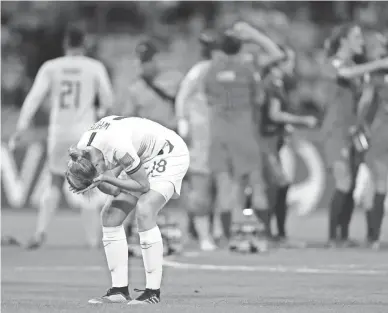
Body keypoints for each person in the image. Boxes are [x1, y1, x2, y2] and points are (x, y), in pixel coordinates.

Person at [66, 115, 190, 304]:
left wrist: (105, 178)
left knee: (145, 208)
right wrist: (102, 179)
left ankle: (152, 293)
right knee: (110, 216)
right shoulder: (86, 151)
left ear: (97, 165)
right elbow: (114, 189)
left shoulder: (118, 147)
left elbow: (142, 186)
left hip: (168, 152)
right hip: (141, 156)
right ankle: (119, 291)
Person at [10, 25, 114, 249]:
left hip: (59, 132)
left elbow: (34, 98)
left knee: (55, 181)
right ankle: (92, 240)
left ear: (65, 44)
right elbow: (107, 99)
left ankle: (40, 232)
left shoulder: (52, 67)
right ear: (84, 44)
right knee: (88, 183)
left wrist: (21, 127)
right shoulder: (94, 67)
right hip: (85, 133)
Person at [322, 24, 388, 247]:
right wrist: (378, 64)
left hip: (352, 132)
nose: (361, 41)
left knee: (351, 183)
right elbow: (343, 74)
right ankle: (333, 238)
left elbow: (364, 99)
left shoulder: (356, 67)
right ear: (343, 40)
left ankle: (343, 236)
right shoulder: (334, 63)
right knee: (343, 181)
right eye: (357, 36)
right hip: (335, 132)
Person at [259, 47, 318, 245]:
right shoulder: (273, 84)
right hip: (264, 141)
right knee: (276, 184)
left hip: (272, 140)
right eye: (290, 61)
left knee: (273, 185)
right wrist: (302, 120)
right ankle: (270, 233)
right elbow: (274, 115)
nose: (293, 66)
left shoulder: (277, 83)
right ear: (279, 63)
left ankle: (274, 233)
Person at [175, 30, 218, 251]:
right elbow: (182, 97)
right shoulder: (199, 72)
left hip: (218, 136)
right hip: (201, 138)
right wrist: (183, 121)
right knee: (200, 186)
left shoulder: (223, 71)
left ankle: (204, 232)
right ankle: (202, 235)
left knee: (215, 189)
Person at [361, 31, 388, 249]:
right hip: (382, 133)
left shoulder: (376, 74)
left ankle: (373, 236)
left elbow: (365, 102)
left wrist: (362, 126)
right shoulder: (377, 74)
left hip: (379, 132)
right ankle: (373, 236)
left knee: (376, 182)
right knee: (378, 182)